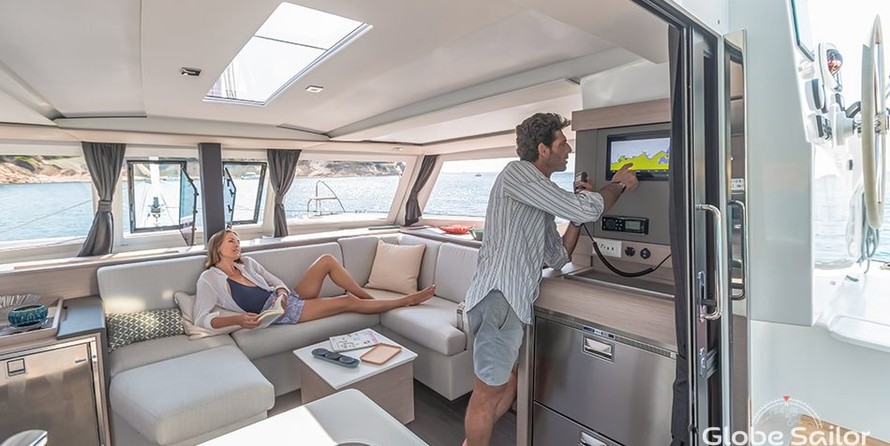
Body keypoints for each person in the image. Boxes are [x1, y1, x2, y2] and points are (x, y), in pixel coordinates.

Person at [462, 112, 638, 446]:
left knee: (507, 384)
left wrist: (577, 217)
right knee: (486, 395)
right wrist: (618, 185)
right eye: (561, 143)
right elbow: (587, 208)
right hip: (499, 299)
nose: (568, 149)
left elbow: (559, 255)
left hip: (508, 305)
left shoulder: (537, 194)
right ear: (543, 149)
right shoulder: (517, 174)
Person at [194, 229, 436, 329]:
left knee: (327, 260)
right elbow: (201, 318)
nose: (237, 244)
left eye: (238, 241)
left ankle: (370, 300)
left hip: (284, 301)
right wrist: (237, 319)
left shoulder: (247, 264)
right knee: (347, 302)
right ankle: (406, 300)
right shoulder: (209, 279)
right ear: (217, 247)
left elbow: (276, 281)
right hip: (278, 315)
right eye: (231, 241)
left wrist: (282, 293)